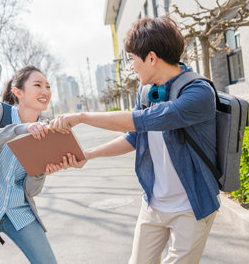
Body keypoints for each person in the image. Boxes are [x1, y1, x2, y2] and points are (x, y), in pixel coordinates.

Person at [49, 17, 220, 264]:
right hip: (153, 203)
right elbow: (135, 138)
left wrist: (82, 117)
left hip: (192, 206)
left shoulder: (198, 93)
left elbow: (140, 121)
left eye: (132, 59)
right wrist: (87, 154)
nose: (131, 66)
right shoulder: (147, 92)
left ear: (151, 58)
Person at [0, 65, 64, 264]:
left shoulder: (44, 131)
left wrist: (41, 172)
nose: (45, 91)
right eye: (38, 85)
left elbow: (31, 190)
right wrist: (19, 129)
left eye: (48, 86)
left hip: (20, 213)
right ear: (18, 92)